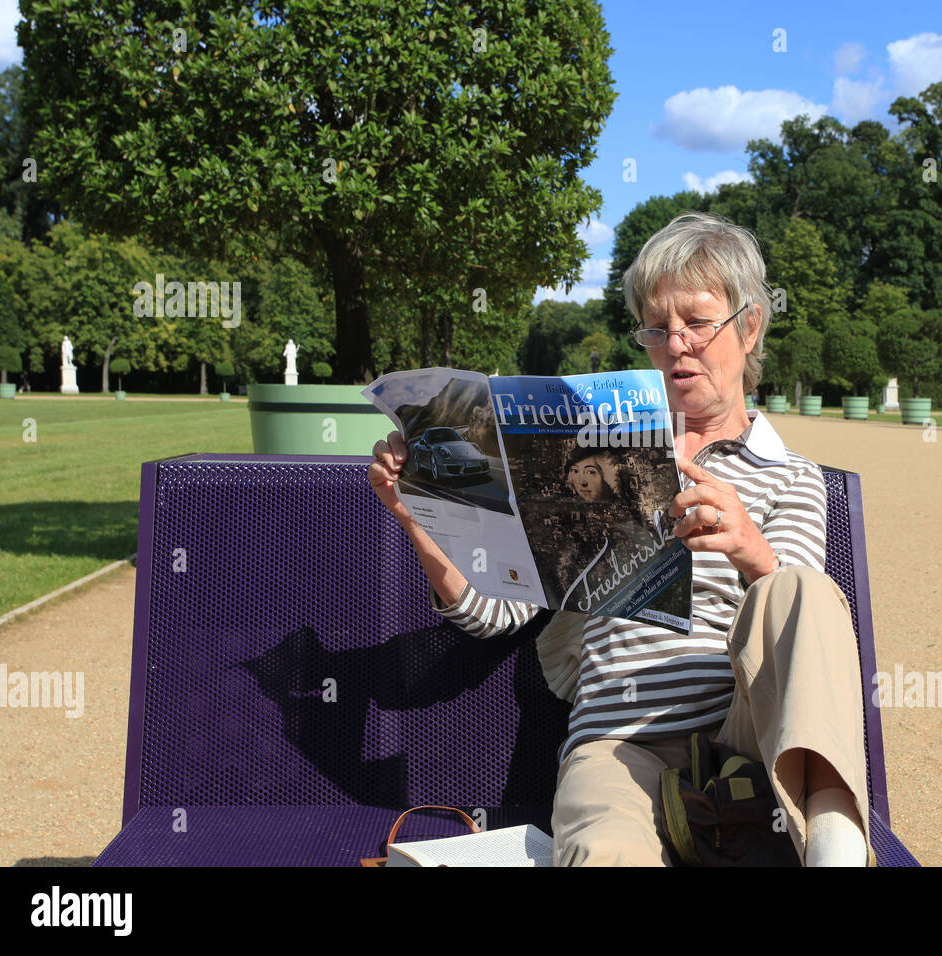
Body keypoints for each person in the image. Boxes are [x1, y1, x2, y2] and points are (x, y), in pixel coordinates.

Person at [369, 212, 871, 867]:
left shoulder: (789, 476)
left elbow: (799, 636)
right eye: (658, 330)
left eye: (697, 321)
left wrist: (748, 546)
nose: (678, 344)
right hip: (618, 740)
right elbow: (489, 614)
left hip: (742, 732)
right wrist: (417, 516)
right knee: (605, 854)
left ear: (749, 328)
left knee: (798, 588)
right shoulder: (590, 460)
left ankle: (834, 847)